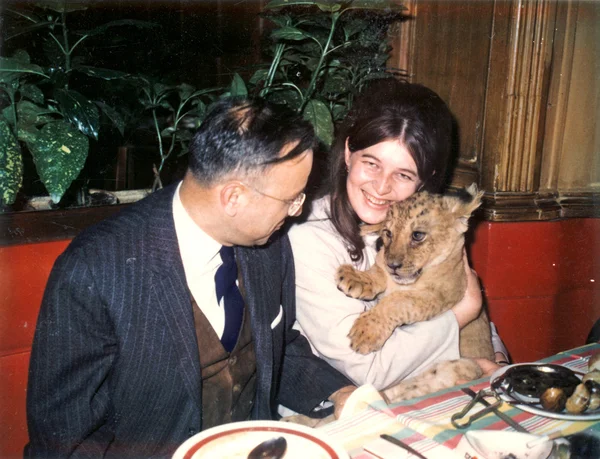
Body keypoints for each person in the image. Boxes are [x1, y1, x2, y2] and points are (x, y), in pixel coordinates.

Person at [25, 97, 355, 458]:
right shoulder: (97, 269)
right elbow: (65, 441)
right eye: (291, 199)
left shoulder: (269, 245)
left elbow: (279, 348)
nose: (299, 210)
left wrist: (340, 393)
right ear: (233, 198)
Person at [289, 79, 509, 391]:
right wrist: (462, 314)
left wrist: (497, 361)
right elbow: (369, 370)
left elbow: (459, 288)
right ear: (349, 152)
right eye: (371, 163)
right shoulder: (308, 239)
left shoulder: (428, 218)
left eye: (403, 175)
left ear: (422, 182)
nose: (381, 188)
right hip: (347, 404)